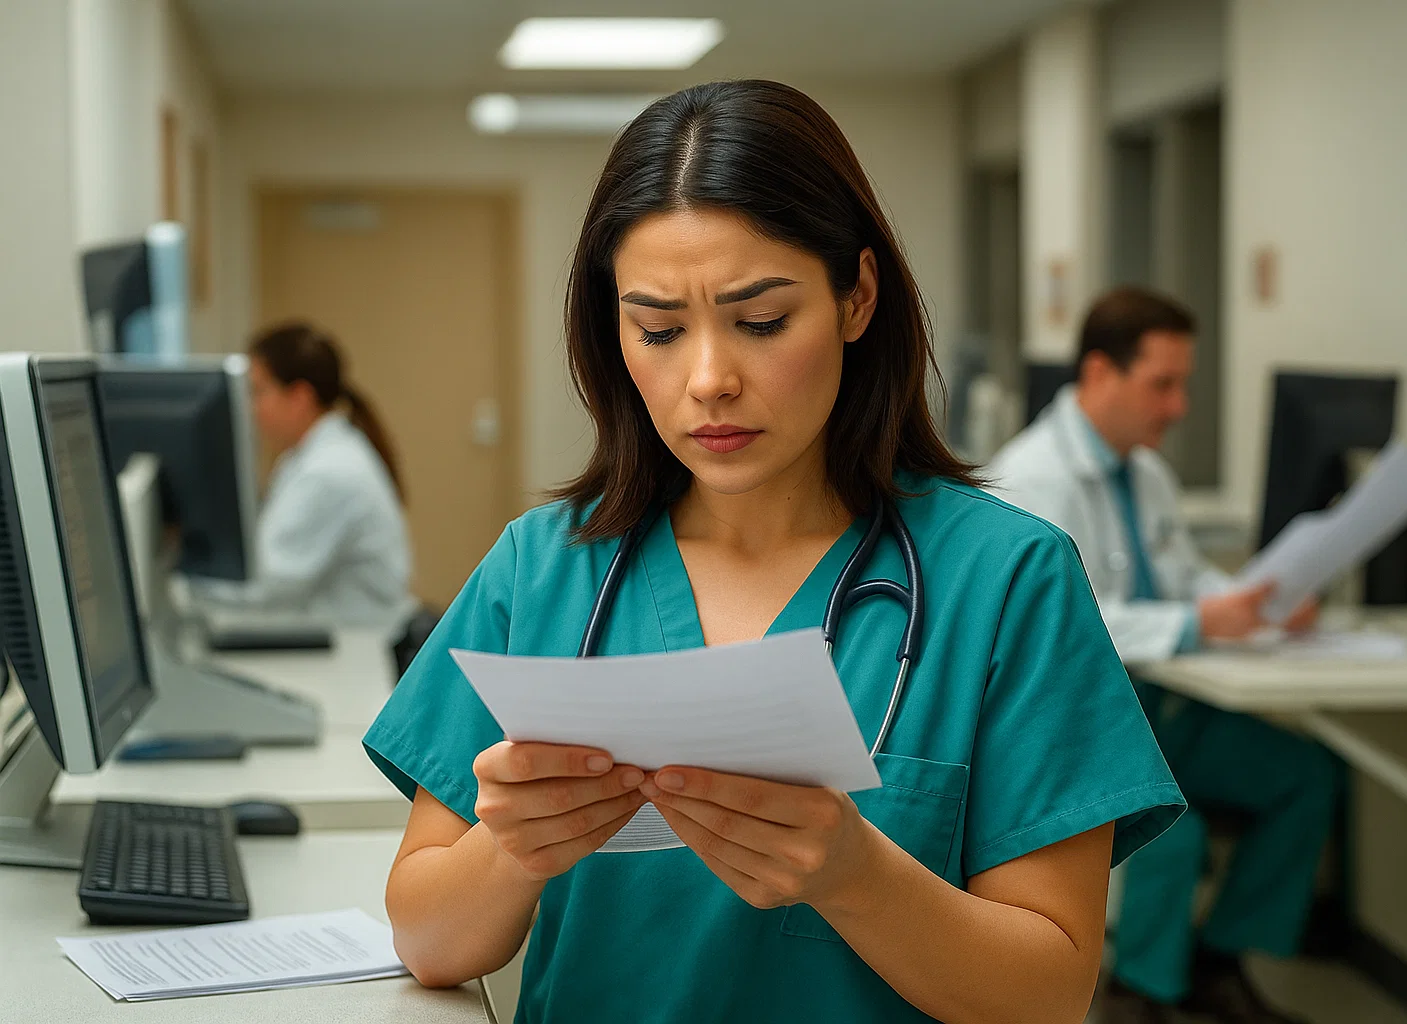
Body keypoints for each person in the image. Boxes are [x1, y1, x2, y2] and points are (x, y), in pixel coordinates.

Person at [361, 81, 1185, 1023]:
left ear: (856, 297)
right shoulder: (544, 569)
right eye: (659, 329)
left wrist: (852, 872)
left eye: (760, 322)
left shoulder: (1006, 581)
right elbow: (425, 942)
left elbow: (1049, 993)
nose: (708, 379)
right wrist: (517, 844)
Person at [986, 287, 1340, 1024]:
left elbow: (1180, 579)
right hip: (1082, 723)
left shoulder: (1145, 474)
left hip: (1162, 706)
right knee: (1170, 836)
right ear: (1098, 374)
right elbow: (1067, 625)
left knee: (1305, 777)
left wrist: (1256, 601)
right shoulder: (1031, 478)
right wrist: (1195, 622)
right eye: (1163, 384)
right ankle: (1138, 995)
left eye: (1183, 385)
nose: (1178, 408)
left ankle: (1217, 962)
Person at [192, 322, 414, 628]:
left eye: (258, 392)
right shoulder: (307, 457)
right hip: (337, 637)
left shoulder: (329, 471)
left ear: (299, 397)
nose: (251, 408)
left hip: (358, 647)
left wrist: (183, 577)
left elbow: (267, 584)